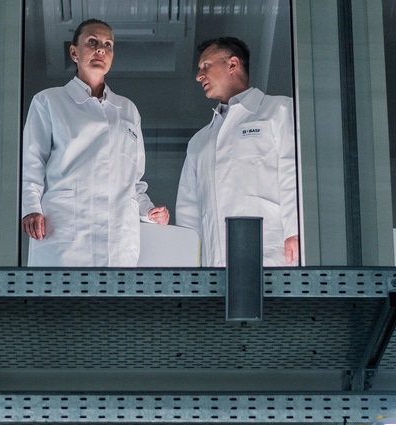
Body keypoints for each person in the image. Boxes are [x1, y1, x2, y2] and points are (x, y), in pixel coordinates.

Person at [22, 19, 169, 266]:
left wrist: (149, 211)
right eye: (92, 42)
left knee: (114, 304)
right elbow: (32, 163)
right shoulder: (49, 101)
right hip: (64, 231)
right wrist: (30, 207)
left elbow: (133, 181)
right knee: (60, 302)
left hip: (118, 240)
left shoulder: (128, 109)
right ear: (73, 52)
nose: (101, 49)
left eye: (108, 45)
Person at [176, 36, 298, 267]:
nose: (198, 75)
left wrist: (296, 230)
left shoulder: (279, 110)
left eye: (206, 66)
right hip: (215, 265)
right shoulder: (199, 142)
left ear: (232, 64)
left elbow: (293, 172)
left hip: (273, 251)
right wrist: (190, 268)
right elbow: (188, 210)